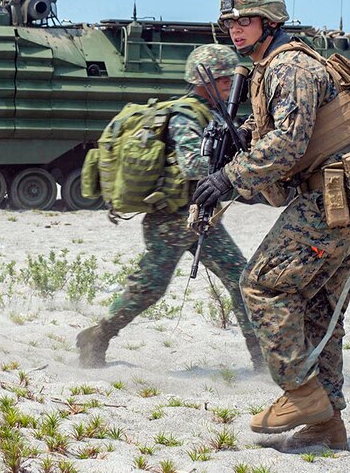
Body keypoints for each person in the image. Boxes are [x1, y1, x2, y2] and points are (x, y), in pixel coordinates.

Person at [192, 0, 350, 451]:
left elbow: (286, 144)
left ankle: (301, 394)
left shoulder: (290, 65)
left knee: (262, 284)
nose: (235, 31)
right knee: (318, 308)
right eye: (230, 23)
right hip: (349, 198)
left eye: (244, 21)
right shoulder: (273, 68)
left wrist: (228, 179)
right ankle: (328, 424)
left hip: (333, 200)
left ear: (270, 21)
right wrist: (237, 142)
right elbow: (274, 129)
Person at [76, 45, 264, 372]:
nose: (227, 85)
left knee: (240, 278)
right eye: (222, 79)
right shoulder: (187, 114)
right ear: (204, 80)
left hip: (198, 214)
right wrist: (230, 164)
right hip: (172, 219)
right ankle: (97, 336)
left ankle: (263, 361)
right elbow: (194, 166)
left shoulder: (214, 112)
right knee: (150, 288)